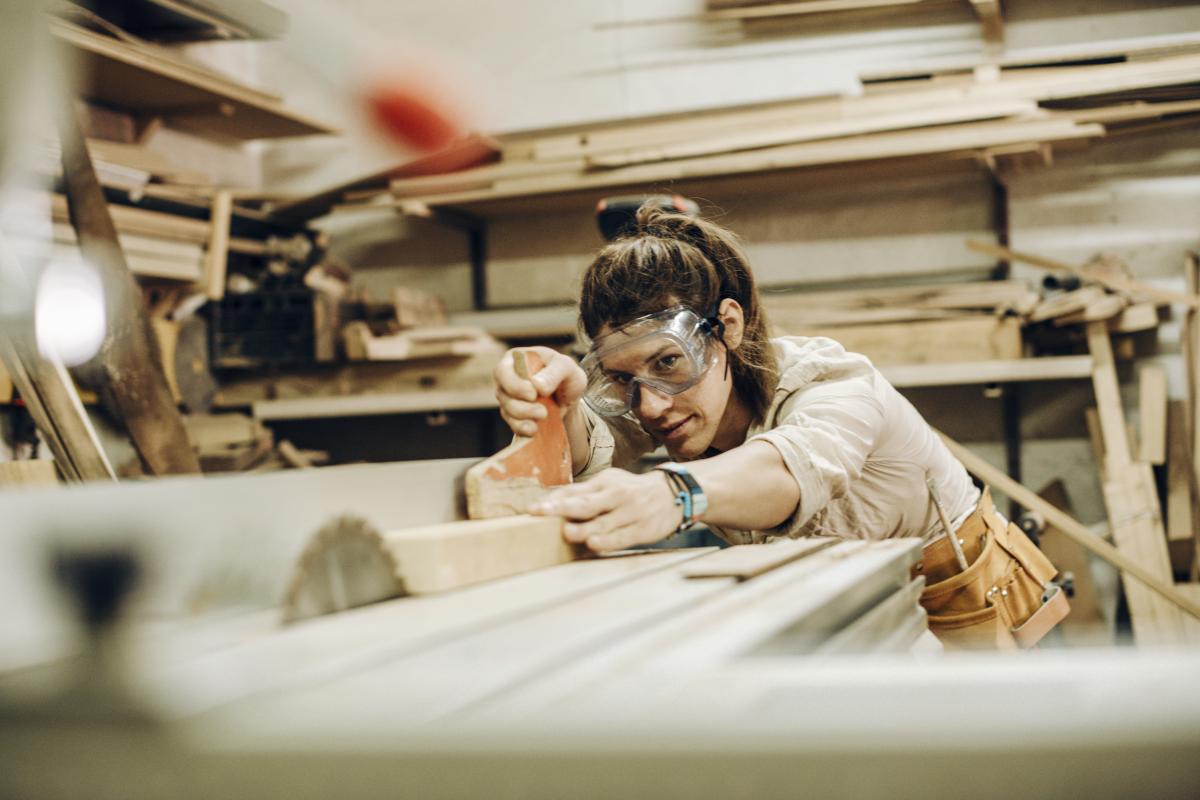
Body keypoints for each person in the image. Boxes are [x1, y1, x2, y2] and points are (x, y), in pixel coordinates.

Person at [491, 206, 1064, 648]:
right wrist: (559, 406)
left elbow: (791, 469)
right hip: (857, 607)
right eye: (620, 378)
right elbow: (592, 450)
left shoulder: (834, 386)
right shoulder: (668, 398)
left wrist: (672, 495)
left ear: (728, 327)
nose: (652, 407)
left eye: (667, 361)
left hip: (973, 611)